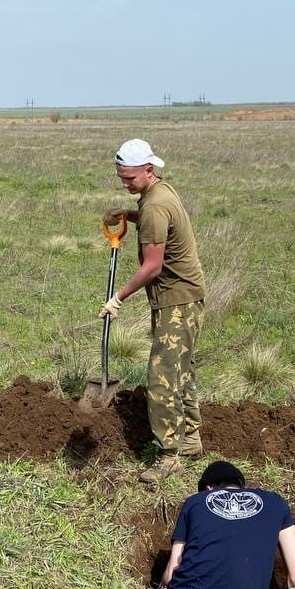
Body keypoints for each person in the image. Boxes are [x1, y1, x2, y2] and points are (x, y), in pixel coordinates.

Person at [101, 138, 205, 483]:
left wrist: (118, 298)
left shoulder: (155, 206)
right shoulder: (156, 196)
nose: (125, 184)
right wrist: (127, 213)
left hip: (177, 300)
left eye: (130, 178)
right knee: (180, 371)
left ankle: (169, 456)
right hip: (181, 298)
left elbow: (152, 267)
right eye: (121, 178)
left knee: (161, 379)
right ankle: (190, 440)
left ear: (149, 170)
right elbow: (150, 219)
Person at [160, 461, 295, 589]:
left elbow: (170, 576)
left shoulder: (193, 502)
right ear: (240, 486)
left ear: (208, 489)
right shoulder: (275, 502)